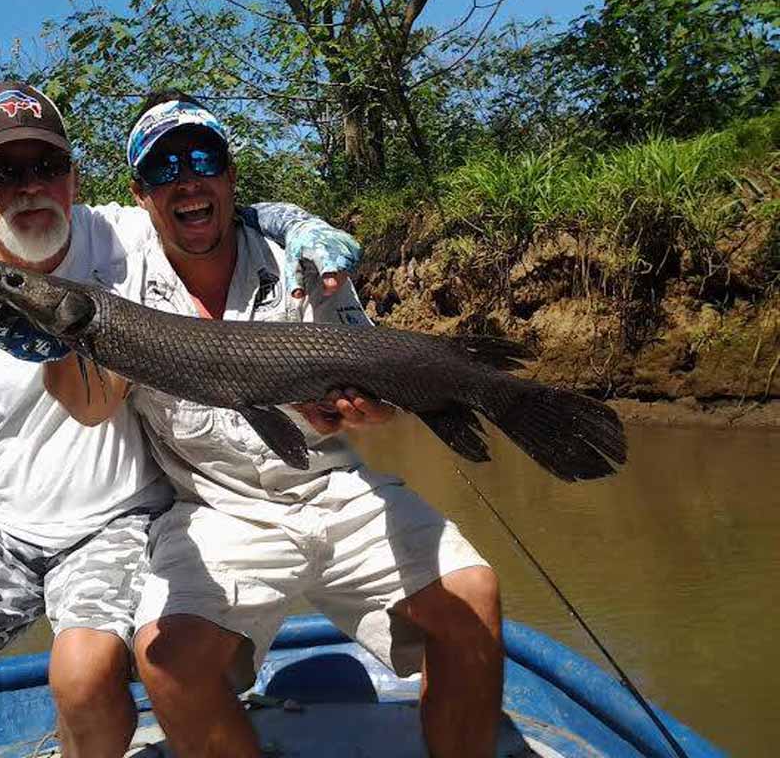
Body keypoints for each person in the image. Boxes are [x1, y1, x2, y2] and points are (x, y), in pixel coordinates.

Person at [0, 81, 364, 758]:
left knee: (83, 676)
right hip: (1, 525)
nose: (29, 187)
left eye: (45, 167)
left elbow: (225, 205)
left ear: (72, 177)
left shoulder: (122, 231)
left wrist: (299, 225)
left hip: (124, 517)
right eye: (4, 172)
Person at [44, 92, 505, 758]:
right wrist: (58, 338)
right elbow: (88, 402)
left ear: (230, 175)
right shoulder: (116, 288)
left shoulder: (306, 260)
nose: (188, 180)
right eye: (164, 170)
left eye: (204, 158)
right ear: (140, 194)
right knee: (168, 659)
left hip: (333, 487)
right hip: (216, 509)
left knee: (474, 596)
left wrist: (369, 410)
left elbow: (380, 404)